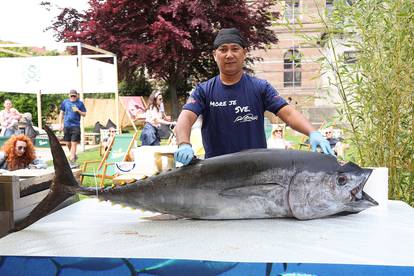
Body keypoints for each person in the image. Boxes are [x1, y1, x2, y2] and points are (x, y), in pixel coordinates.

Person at [174, 27, 334, 165]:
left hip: (257, 171)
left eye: (235, 49)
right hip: (216, 172)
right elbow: (185, 118)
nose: (229, 55)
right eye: (223, 50)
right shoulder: (204, 91)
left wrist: (313, 133)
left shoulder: (260, 88)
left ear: (244, 53)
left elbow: (289, 114)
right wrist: (183, 143)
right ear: (215, 55)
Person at [59, 89, 87, 164]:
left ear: (77, 96)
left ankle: (71, 160)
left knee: (74, 143)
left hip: (76, 126)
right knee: (68, 143)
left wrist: (78, 110)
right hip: (66, 125)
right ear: (69, 95)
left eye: (74, 96)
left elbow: (84, 114)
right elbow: (61, 113)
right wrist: (60, 124)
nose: (73, 97)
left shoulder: (80, 103)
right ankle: (73, 155)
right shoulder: (65, 102)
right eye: (72, 96)